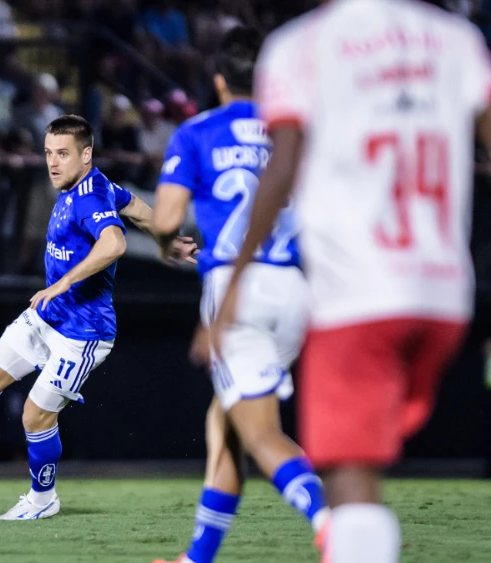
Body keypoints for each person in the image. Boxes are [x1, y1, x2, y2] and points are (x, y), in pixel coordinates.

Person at [210, 3, 491, 562]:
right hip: (444, 293)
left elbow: (283, 164)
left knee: (350, 478)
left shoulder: (300, 46)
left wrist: (234, 277)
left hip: (358, 293)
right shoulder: (457, 39)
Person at [0, 114, 196, 520]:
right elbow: (135, 207)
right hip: (48, 317)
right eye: (48, 153)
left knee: (35, 415)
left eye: (63, 154)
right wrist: (166, 239)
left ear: (86, 155)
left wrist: (62, 283)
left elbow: (115, 243)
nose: (53, 162)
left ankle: (43, 499)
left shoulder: (88, 197)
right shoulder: (96, 183)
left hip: (83, 332)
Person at [150, 27, 328, 563]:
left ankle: (333, 522)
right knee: (223, 423)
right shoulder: (298, 133)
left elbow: (166, 219)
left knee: (259, 433)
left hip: (237, 290)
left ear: (220, 79)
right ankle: (198, 558)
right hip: (297, 290)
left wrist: (165, 246)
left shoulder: (198, 130)